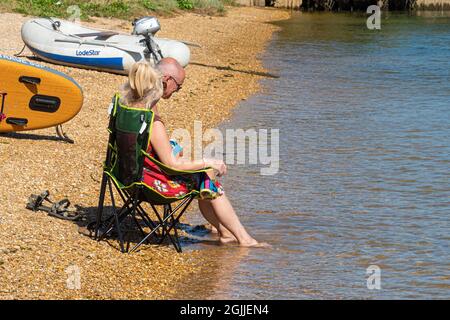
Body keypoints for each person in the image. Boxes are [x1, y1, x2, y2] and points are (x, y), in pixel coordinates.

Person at [119, 58, 262, 247]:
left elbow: (149, 147)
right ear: (166, 80)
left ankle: (224, 231)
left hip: (126, 175)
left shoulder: (128, 107)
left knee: (203, 173)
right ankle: (244, 238)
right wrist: (208, 162)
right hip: (149, 185)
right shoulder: (153, 120)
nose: (177, 91)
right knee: (207, 179)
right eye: (178, 87)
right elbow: (172, 165)